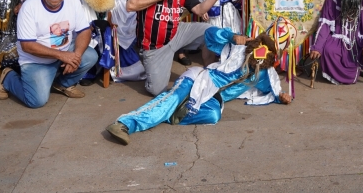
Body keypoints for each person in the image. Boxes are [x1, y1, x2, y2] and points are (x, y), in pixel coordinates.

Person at [105, 27, 291, 145]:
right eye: (262, 47)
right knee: (173, 99)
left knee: (213, 116)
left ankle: (169, 114)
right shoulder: (236, 49)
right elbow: (210, 35)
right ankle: (124, 124)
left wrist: (282, 96)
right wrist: (231, 36)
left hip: (212, 99)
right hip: (198, 81)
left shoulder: (264, 74)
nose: (261, 55)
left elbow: (273, 89)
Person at [127, 0, 235, 96]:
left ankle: (210, 76)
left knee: (210, 31)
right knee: (157, 90)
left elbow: (199, 10)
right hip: (154, 47)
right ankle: (147, 68)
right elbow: (130, 5)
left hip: (177, 33)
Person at [0, 0, 98, 106]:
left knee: (90, 56)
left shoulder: (72, 0)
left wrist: (75, 57)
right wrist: (63, 56)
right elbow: (27, 46)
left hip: (64, 51)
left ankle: (62, 84)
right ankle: (8, 78)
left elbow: (85, 31)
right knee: (36, 101)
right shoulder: (29, 7)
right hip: (37, 61)